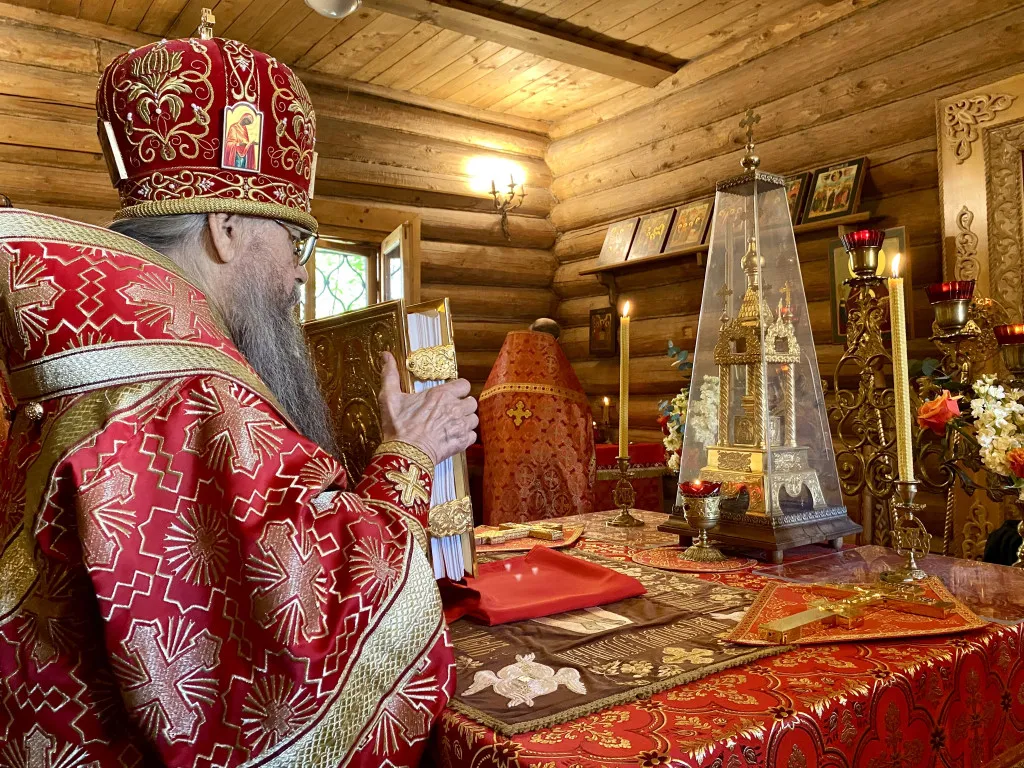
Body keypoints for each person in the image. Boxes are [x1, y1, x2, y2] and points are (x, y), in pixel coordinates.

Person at [0, 28, 476, 767]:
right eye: (295, 245)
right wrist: (407, 457)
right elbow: (308, 637)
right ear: (224, 228)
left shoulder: (111, 360)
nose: (296, 278)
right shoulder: (184, 390)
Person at [479, 320, 595, 524]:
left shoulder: (500, 381)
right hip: (549, 466)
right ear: (557, 341)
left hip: (507, 470)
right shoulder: (562, 387)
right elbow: (579, 421)